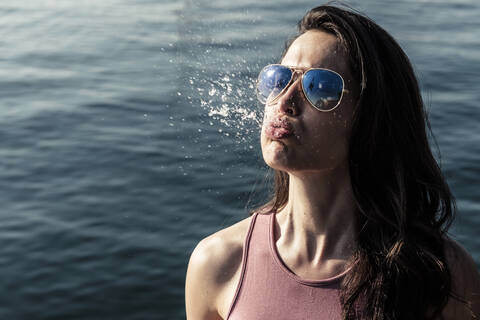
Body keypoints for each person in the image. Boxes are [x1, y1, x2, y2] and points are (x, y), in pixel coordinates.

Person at [185, 4, 480, 320]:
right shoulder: (219, 263)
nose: (284, 102)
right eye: (278, 79)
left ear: (370, 119)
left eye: (320, 87)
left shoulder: (440, 274)